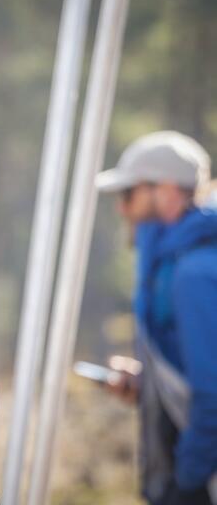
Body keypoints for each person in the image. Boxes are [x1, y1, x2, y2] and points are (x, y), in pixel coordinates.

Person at [95, 130, 217, 505]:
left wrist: (186, 482)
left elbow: (213, 395)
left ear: (165, 191)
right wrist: (148, 383)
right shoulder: (179, 266)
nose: (122, 209)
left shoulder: (194, 273)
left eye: (128, 194)